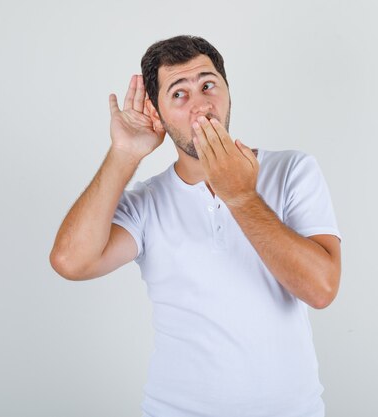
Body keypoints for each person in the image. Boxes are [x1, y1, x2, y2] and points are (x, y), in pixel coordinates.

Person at [50, 35, 342, 417]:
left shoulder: (292, 171)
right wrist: (124, 154)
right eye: (179, 95)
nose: (201, 105)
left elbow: (321, 289)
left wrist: (241, 197)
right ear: (158, 113)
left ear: (227, 92)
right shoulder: (147, 202)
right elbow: (72, 261)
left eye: (208, 85)